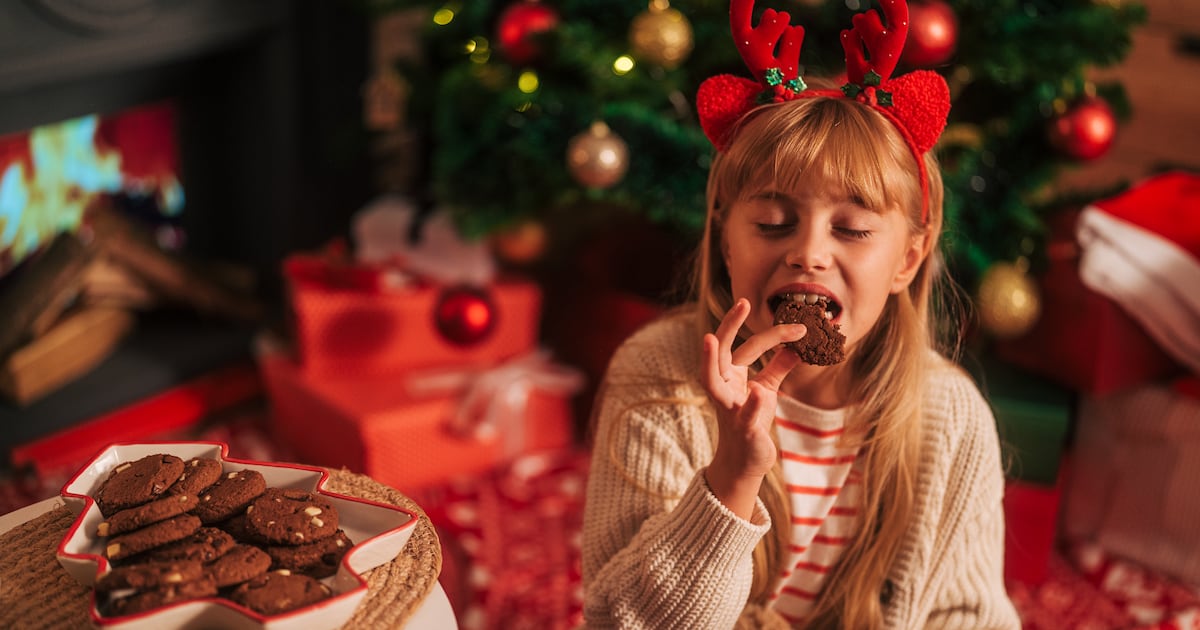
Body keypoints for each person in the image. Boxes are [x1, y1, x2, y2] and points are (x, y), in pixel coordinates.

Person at [580, 1, 1020, 628]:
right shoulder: (658, 378)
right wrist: (731, 477)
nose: (809, 254)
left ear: (907, 261)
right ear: (726, 239)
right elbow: (620, 621)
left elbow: (969, 616)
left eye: (853, 229)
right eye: (772, 224)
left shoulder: (950, 421)